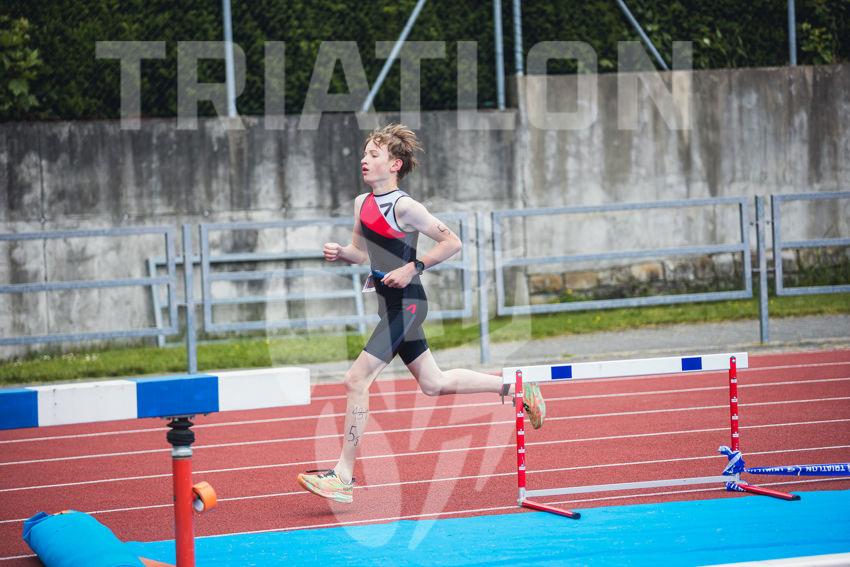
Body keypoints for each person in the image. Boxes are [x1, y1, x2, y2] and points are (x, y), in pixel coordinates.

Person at [297, 124, 545, 504]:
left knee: (355, 379)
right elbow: (360, 253)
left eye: (374, 154)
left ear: (394, 164)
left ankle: (343, 476)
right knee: (433, 383)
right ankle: (516, 389)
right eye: (365, 153)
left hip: (409, 304)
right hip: (389, 305)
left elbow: (452, 242)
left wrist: (413, 267)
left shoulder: (405, 207)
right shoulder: (361, 203)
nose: (364, 159)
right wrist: (341, 252)